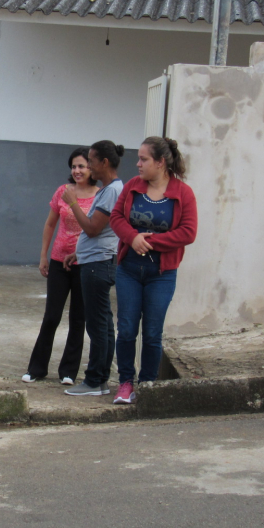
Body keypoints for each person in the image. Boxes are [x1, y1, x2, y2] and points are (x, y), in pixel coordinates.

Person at [108, 137, 197, 405]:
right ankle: (125, 383)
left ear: (160, 163)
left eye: (144, 159)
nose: (138, 164)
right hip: (129, 270)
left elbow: (188, 232)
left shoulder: (183, 193)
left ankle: (147, 384)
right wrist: (132, 237)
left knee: (152, 332)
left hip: (162, 273)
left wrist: (149, 241)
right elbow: (116, 217)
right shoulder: (134, 186)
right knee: (126, 329)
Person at [22, 147, 98, 385]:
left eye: (82, 166)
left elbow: (98, 231)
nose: (77, 170)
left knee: (78, 318)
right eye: (74, 166)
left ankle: (68, 371)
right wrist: (43, 256)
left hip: (85, 263)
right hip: (58, 261)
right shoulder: (63, 192)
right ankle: (37, 368)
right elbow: (49, 225)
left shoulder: (100, 195)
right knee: (52, 316)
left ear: (92, 169)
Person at [61, 140, 125, 397]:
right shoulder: (111, 189)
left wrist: (73, 202)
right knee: (103, 323)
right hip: (95, 260)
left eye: (91, 161)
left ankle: (95, 380)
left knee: (97, 324)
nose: (88, 166)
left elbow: (93, 228)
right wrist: (79, 252)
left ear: (104, 163)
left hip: (98, 265)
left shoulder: (111, 191)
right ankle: (99, 379)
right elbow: (104, 232)